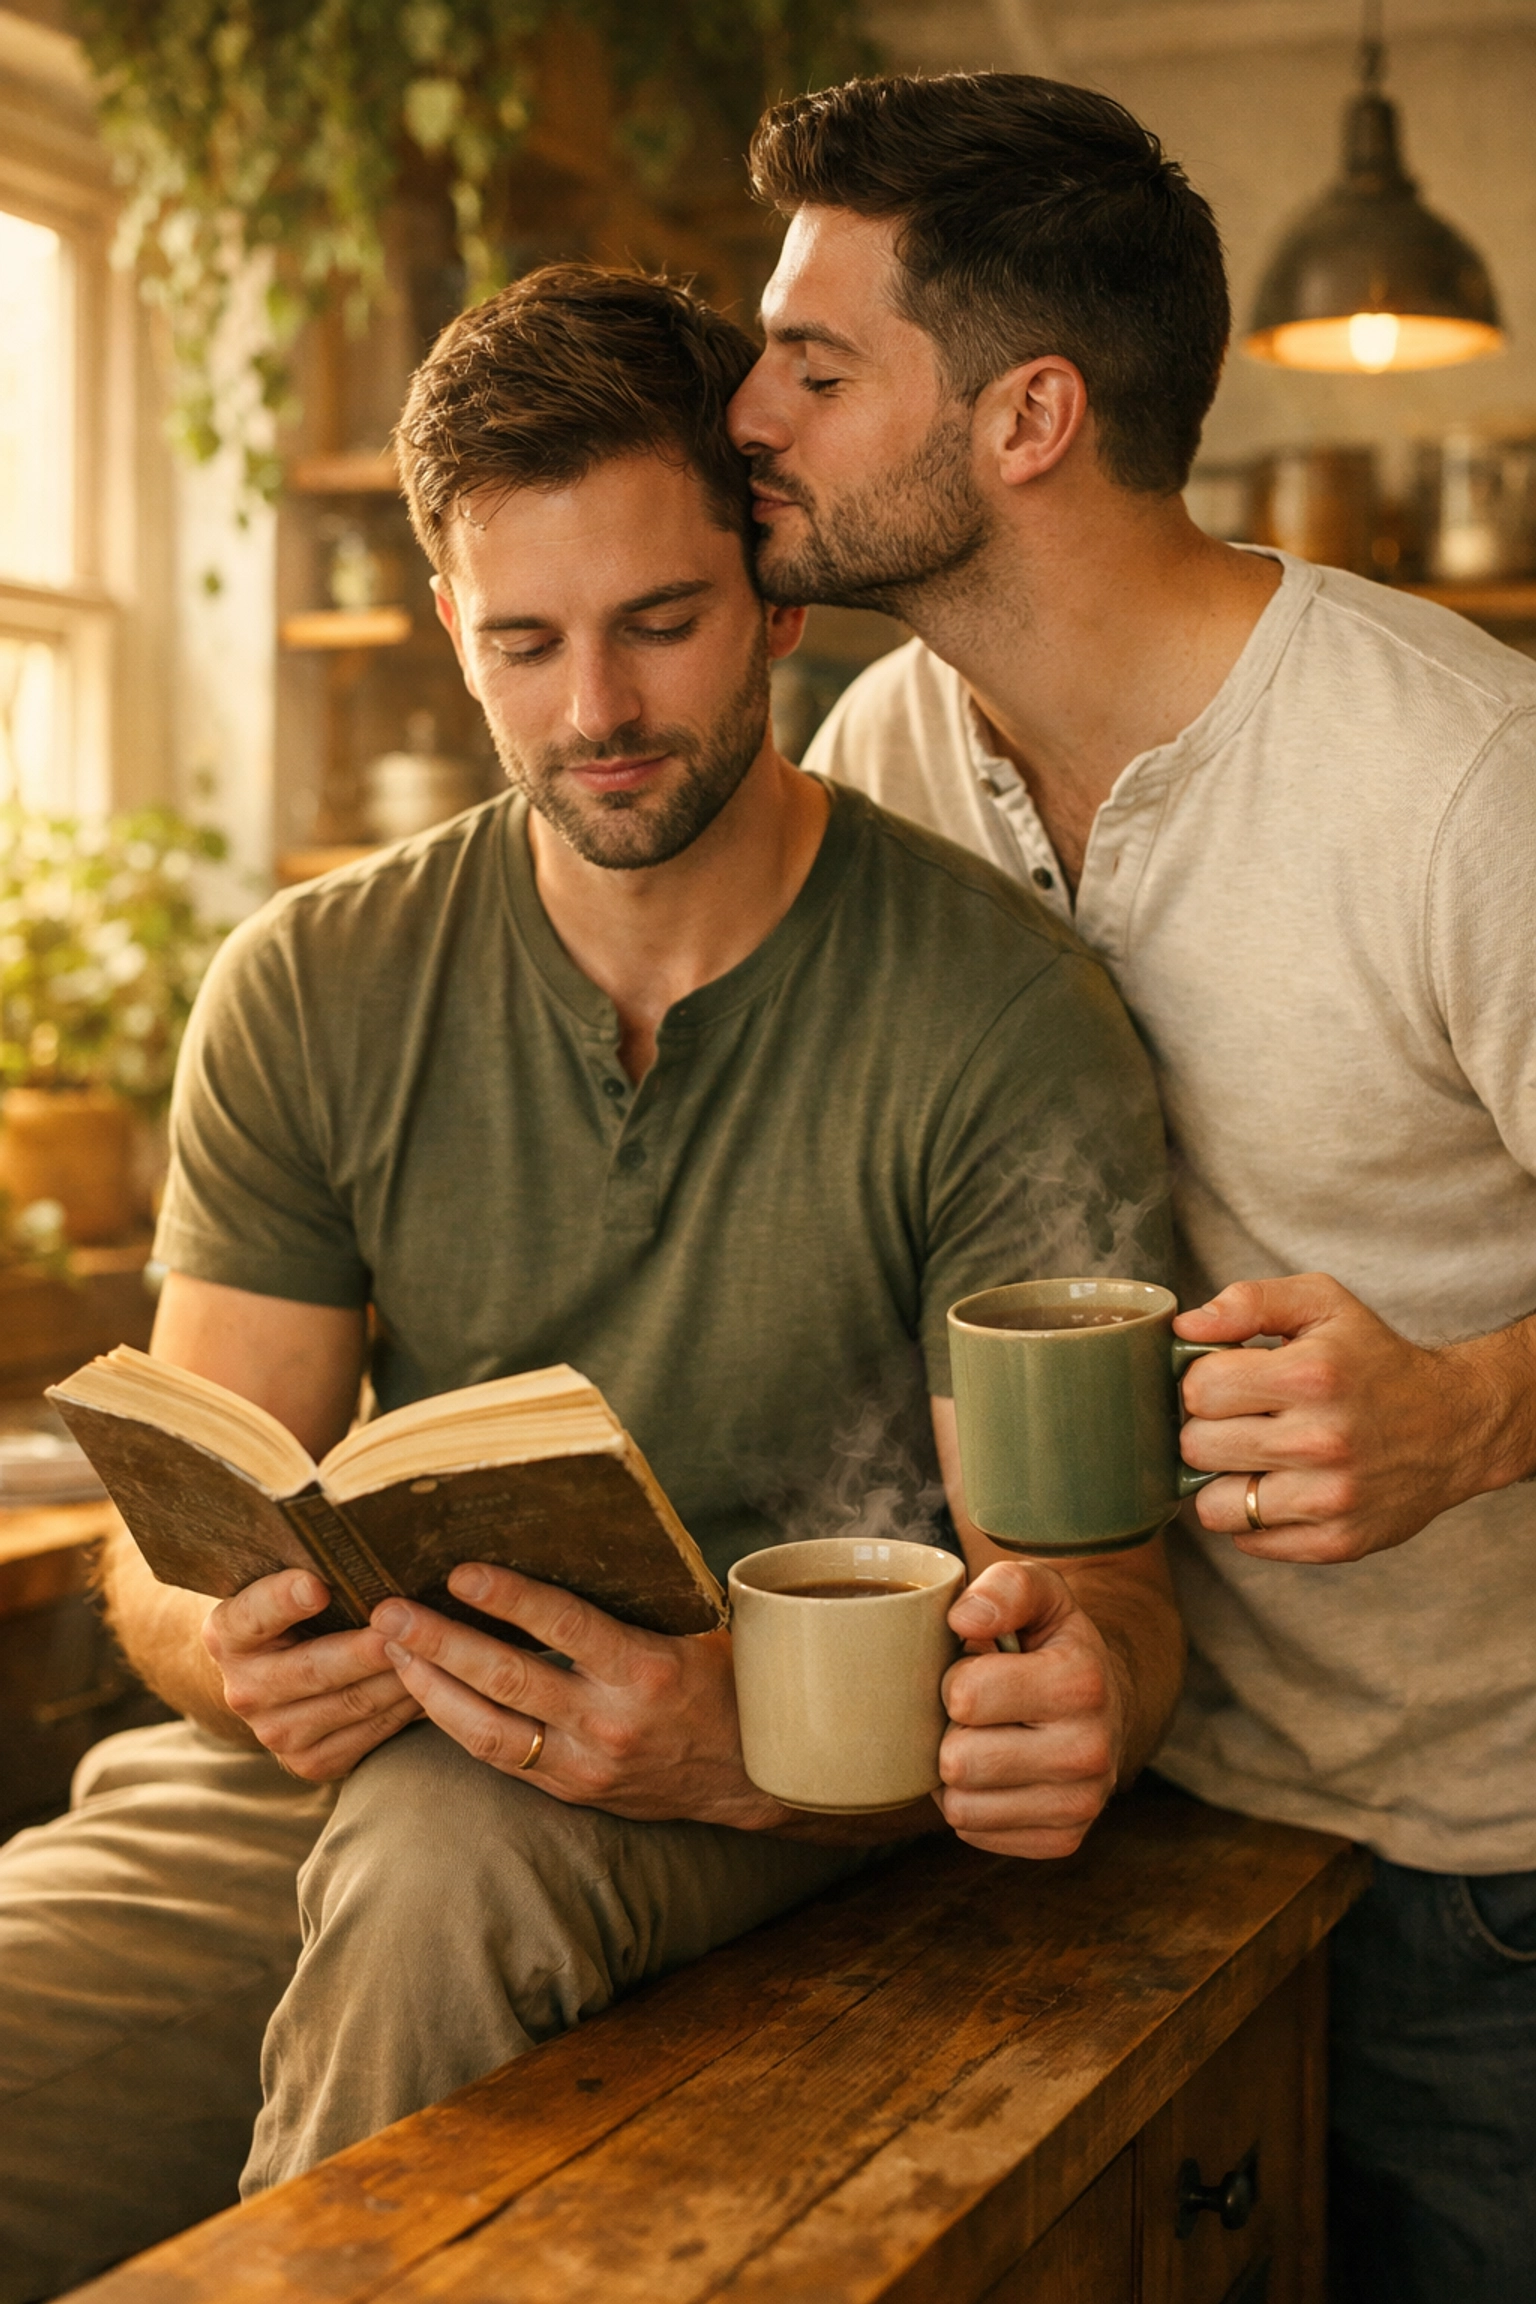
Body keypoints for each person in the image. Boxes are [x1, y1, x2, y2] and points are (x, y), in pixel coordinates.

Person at [0, 265, 1182, 2300]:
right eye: (525, 643)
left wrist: (767, 1738)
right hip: (323, 1769)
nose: (595, 715)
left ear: (776, 598)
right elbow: (183, 1525)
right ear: (450, 625)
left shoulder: (1001, 1015)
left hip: (750, 1794)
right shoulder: (314, 982)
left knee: (441, 1880)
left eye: (659, 621)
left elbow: (1098, 1614)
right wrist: (233, 1649)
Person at [726, 70, 1536, 2304]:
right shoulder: (886, 754)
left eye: (814, 368)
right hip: (1121, 1827)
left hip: (1491, 1870)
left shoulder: (1463, 779)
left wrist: (1475, 1410)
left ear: (1029, 418)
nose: (746, 414)